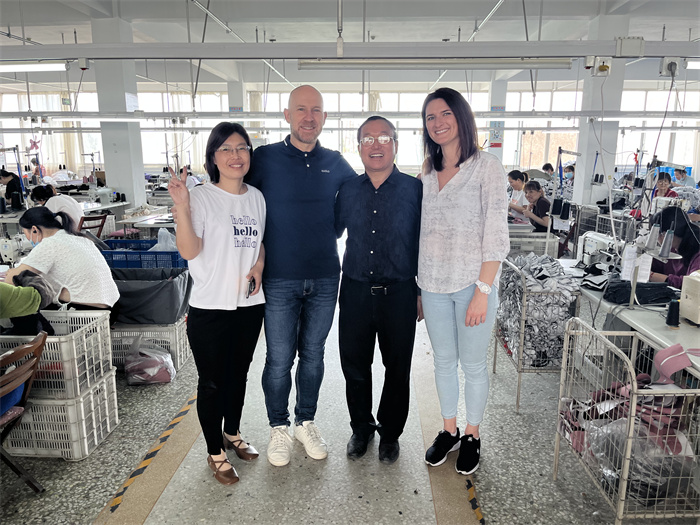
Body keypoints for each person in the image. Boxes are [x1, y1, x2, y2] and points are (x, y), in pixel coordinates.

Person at [246, 85, 357, 467]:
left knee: (313, 355)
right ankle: (278, 427)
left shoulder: (336, 162)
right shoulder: (265, 158)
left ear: (324, 117)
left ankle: (304, 422)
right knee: (279, 359)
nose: (309, 117)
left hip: (325, 276)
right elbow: (240, 198)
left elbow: (355, 199)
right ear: (287, 115)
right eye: (301, 110)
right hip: (279, 277)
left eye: (316, 111)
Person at [168, 122, 265, 486]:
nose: (235, 156)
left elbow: (259, 243)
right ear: (213, 157)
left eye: (241, 148)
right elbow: (190, 250)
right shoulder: (201, 197)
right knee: (212, 382)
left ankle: (232, 432)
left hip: (249, 304)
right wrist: (182, 207)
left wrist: (259, 265)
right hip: (210, 307)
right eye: (226, 149)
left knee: (239, 374)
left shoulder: (257, 198)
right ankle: (215, 451)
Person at [418, 87, 509, 475]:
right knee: (442, 362)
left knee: (472, 364)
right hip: (432, 285)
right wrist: (418, 288)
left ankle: (472, 433)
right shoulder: (426, 170)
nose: (437, 123)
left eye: (445, 114)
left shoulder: (486, 167)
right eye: (430, 117)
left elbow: (496, 234)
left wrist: (483, 292)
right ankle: (449, 429)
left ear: (461, 117)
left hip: (474, 284)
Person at [334, 116, 422, 464]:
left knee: (397, 368)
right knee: (354, 366)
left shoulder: (414, 190)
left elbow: (424, 243)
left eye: (384, 138)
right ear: (358, 147)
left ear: (395, 145)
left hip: (399, 293)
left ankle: (390, 433)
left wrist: (421, 290)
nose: (376, 145)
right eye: (367, 139)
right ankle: (361, 428)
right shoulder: (348, 190)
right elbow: (330, 232)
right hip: (355, 291)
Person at [3, 207, 119, 310]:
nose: (28, 239)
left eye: (26, 234)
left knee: (25, 302)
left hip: (86, 311)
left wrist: (11, 272)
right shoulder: (80, 239)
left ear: (34, 230)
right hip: (112, 308)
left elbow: (11, 280)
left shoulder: (49, 244)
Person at [648, 206, 700, 288]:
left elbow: (691, 284)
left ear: (665, 235)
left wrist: (651, 275)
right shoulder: (673, 248)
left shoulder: (697, 254)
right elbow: (657, 264)